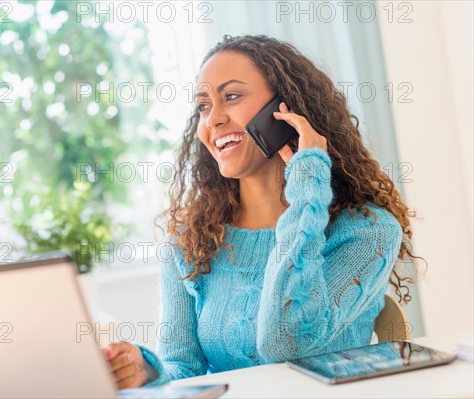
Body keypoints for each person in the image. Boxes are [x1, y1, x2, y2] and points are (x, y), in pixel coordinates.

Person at [100, 34, 418, 388]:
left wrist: (307, 188)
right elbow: (183, 369)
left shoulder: (367, 231)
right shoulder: (191, 239)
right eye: (204, 106)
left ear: (286, 110)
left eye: (232, 97)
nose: (213, 120)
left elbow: (285, 340)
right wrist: (147, 371)